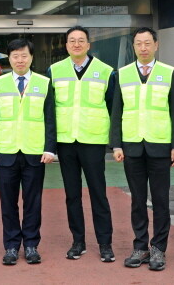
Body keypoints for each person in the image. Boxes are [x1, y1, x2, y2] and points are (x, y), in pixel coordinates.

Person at [110, 27, 174, 271]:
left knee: (160, 200)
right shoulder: (122, 74)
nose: (143, 47)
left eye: (147, 43)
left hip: (160, 146)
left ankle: (158, 249)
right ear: (134, 46)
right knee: (138, 201)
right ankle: (140, 247)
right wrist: (116, 144)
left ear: (156, 45)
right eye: (138, 43)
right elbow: (117, 111)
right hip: (132, 146)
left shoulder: (169, 73)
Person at [48, 26, 115, 262]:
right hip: (66, 142)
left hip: (93, 141)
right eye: (72, 41)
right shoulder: (55, 71)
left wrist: (113, 142)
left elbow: (113, 108)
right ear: (66, 45)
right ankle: (78, 242)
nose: (76, 44)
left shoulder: (106, 71)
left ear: (89, 44)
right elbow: (49, 109)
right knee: (72, 195)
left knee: (99, 193)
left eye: (81, 40)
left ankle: (105, 243)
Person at [0, 39, 56, 266]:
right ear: (9, 58)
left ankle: (32, 245)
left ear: (32, 58)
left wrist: (49, 148)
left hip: (35, 152)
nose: (20, 60)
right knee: (8, 202)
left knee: (33, 202)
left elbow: (49, 119)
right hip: (6, 151)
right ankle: (12, 246)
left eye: (24, 55)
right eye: (15, 56)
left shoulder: (44, 83)